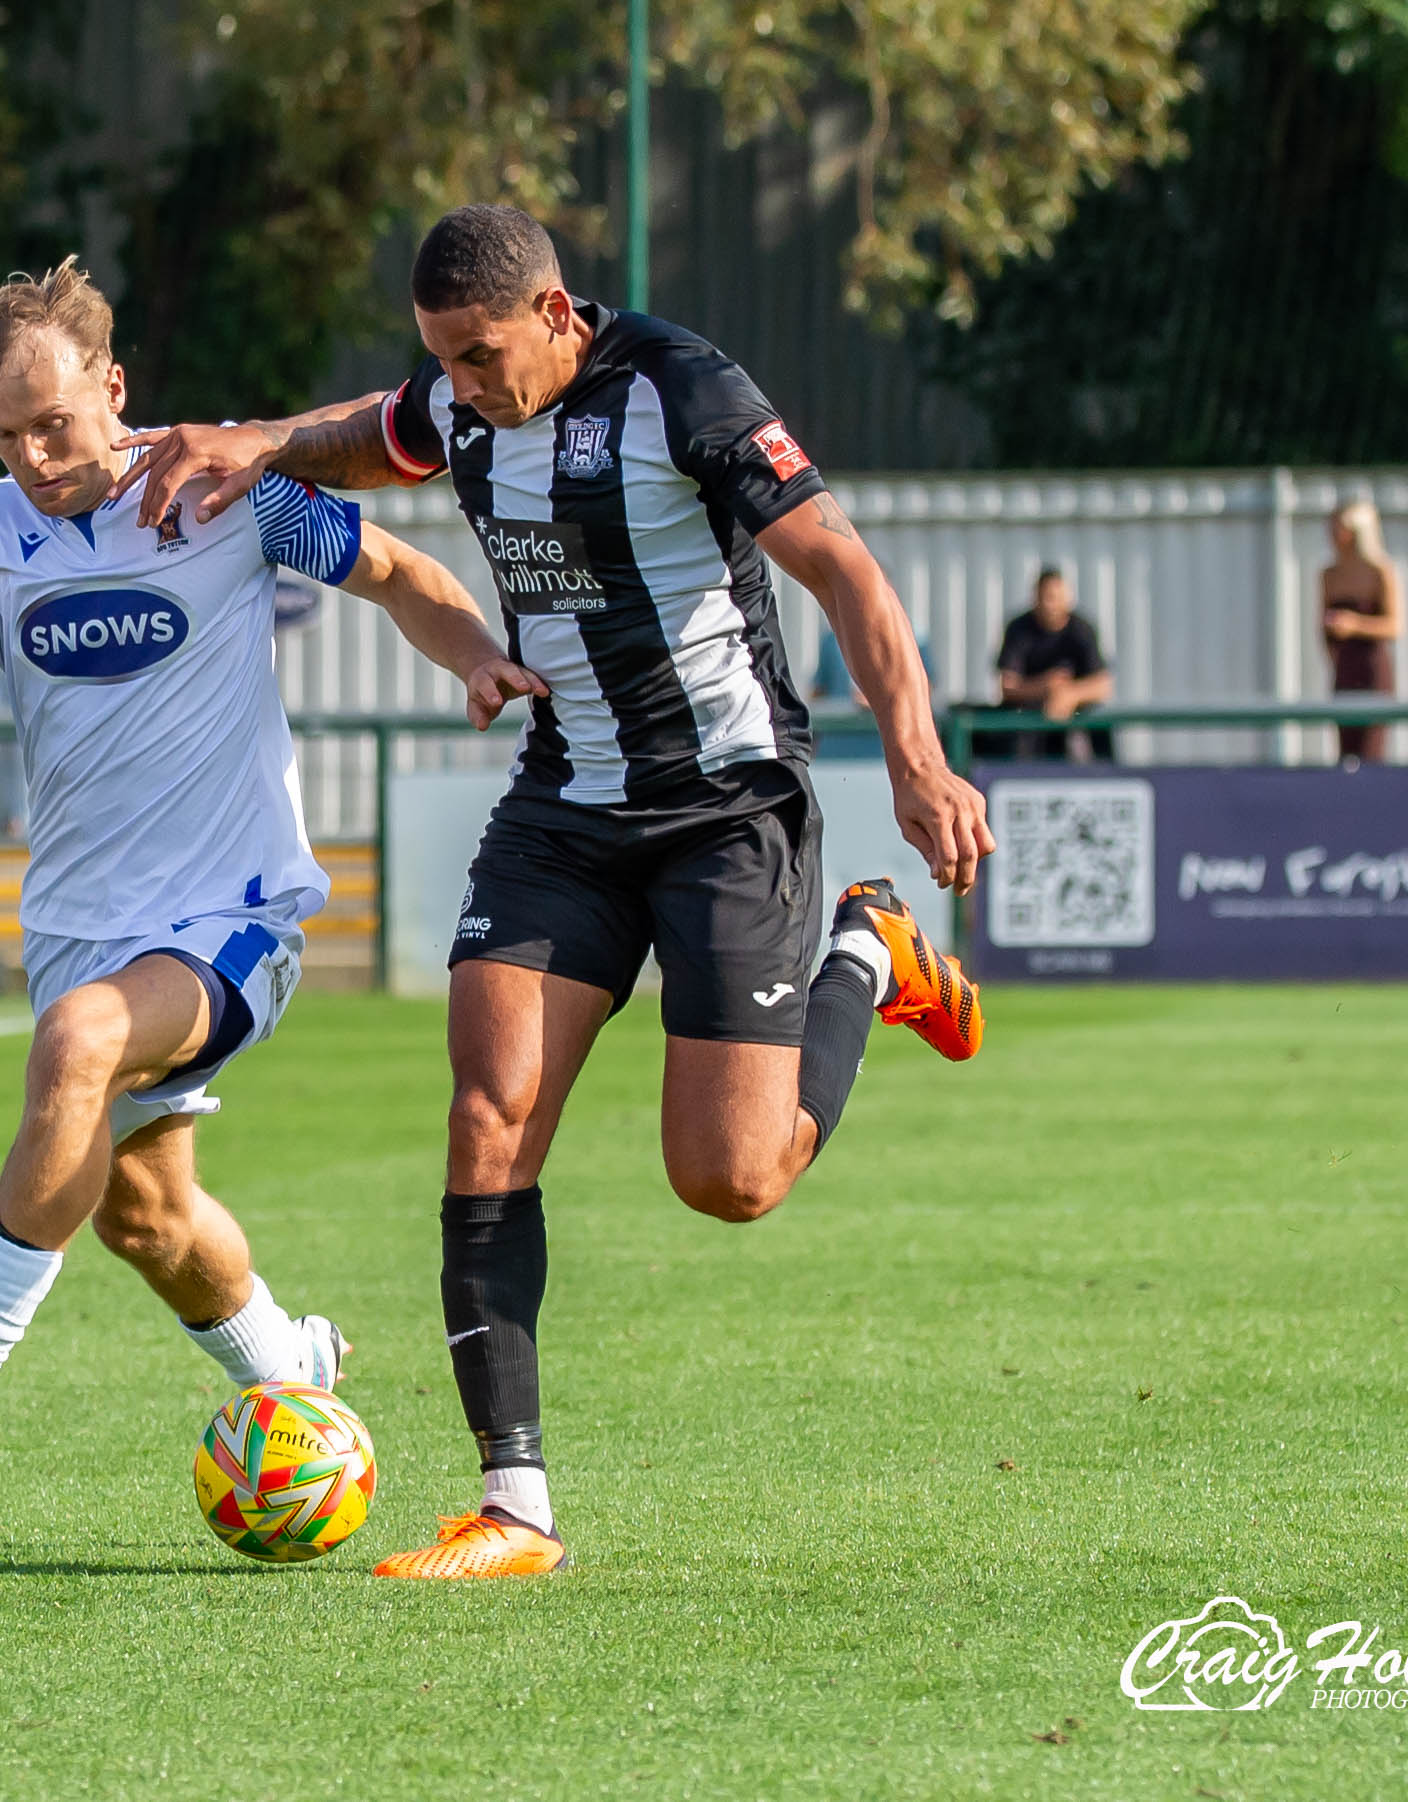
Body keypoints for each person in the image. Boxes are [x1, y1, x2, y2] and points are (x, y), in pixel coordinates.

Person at [114, 204, 992, 1579]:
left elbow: (849, 573)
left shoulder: (682, 388)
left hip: (724, 810)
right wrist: (257, 441)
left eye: (479, 356)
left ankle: (867, 951)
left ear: (556, 313)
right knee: (487, 1112)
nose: (462, 386)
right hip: (564, 805)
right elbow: (369, 429)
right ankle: (513, 1505)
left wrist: (922, 765)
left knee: (732, 1177)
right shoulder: (459, 402)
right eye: (443, 362)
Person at [0, 258, 542, 1449]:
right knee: (147, 1220)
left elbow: (398, 574)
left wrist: (472, 654)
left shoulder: (223, 484)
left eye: (54, 423)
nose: (35, 458)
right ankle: (293, 1361)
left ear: (114, 386)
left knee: (80, 1040)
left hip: (234, 913)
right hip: (75, 926)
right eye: (5, 434)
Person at [989, 566, 1114, 762]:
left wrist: (1070, 695)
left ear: (1067, 598)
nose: (1050, 604)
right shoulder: (1019, 629)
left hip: (1073, 717)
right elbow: (1007, 687)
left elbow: (1102, 686)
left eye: (1055, 597)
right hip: (1027, 719)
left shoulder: (1082, 630)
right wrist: (1045, 688)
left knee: (1097, 727)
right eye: (1045, 596)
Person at [1320, 499, 1402, 764]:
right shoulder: (1329, 575)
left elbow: (1394, 625)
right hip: (1345, 670)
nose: (1333, 534)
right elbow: (1322, 628)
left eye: (1339, 527)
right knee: (1346, 753)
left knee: (1371, 753)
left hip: (1372, 671)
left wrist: (1354, 624)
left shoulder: (1380, 571)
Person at [806, 621, 934, 760]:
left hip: (884, 749)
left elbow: (924, 690)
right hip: (837, 747)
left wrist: (883, 699)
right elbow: (818, 693)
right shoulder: (832, 640)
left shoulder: (912, 638)